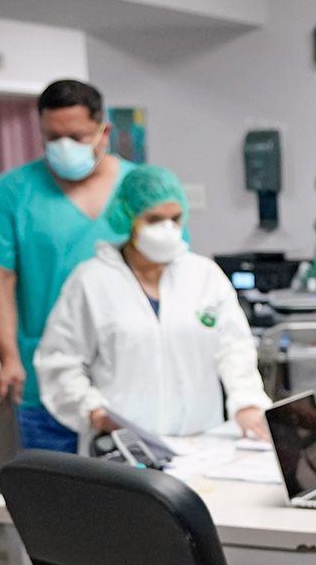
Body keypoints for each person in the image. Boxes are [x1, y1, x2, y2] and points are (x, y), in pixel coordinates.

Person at [34, 164, 270, 441]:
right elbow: (59, 361)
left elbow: (234, 349)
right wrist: (94, 411)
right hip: (124, 443)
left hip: (202, 442)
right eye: (154, 219)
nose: (167, 229)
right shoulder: (92, 281)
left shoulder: (204, 275)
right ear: (127, 219)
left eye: (175, 218)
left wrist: (247, 403)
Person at [0, 79, 131, 452]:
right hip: (45, 379)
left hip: (129, 377)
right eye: (53, 137)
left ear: (104, 132)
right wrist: (8, 358)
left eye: (77, 136)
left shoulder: (140, 190)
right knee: (55, 502)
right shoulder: (13, 192)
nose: (64, 147)